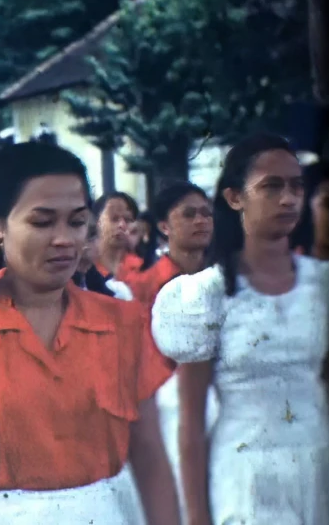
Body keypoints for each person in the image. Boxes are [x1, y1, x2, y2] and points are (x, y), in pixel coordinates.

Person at [0, 142, 179, 525]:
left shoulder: (123, 324)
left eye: (77, 222)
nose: (64, 239)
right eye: (42, 222)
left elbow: (151, 461)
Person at [151, 133, 329, 525]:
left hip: (319, 465)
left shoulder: (324, 286)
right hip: (245, 474)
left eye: (296, 187)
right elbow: (192, 422)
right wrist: (197, 516)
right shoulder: (206, 295)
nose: (288, 199)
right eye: (271, 187)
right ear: (235, 198)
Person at [124, 181, 219, 524]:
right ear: (164, 226)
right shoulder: (145, 286)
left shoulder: (223, 280)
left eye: (207, 214)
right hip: (170, 407)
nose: (201, 221)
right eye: (189, 214)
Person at [92, 191, 145, 283]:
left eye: (128, 220)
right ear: (97, 222)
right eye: (114, 218)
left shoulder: (142, 268)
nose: (122, 225)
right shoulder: (86, 268)